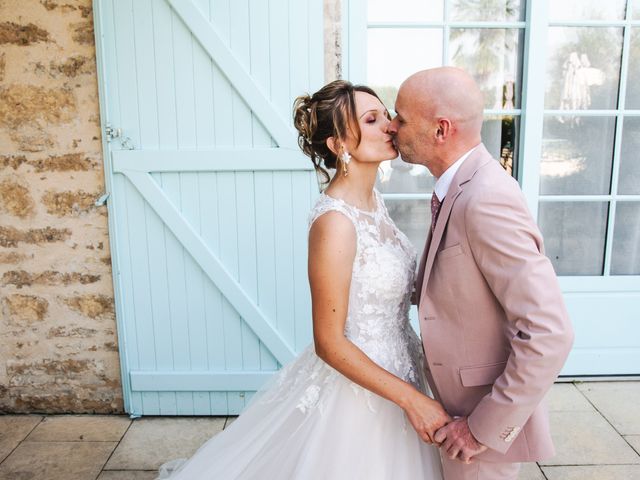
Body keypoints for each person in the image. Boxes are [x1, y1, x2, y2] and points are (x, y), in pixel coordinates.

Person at [156, 80, 446, 479]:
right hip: (360, 392)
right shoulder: (335, 222)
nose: (391, 127)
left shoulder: (373, 202)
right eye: (373, 119)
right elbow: (329, 342)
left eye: (387, 116)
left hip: (401, 367)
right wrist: (412, 400)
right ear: (339, 144)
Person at [387, 67, 575, 480]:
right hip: (449, 410)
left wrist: (481, 430)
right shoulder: (458, 186)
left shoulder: (486, 198)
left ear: (441, 129)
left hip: (476, 430)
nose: (391, 125)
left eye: (400, 117)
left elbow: (549, 331)